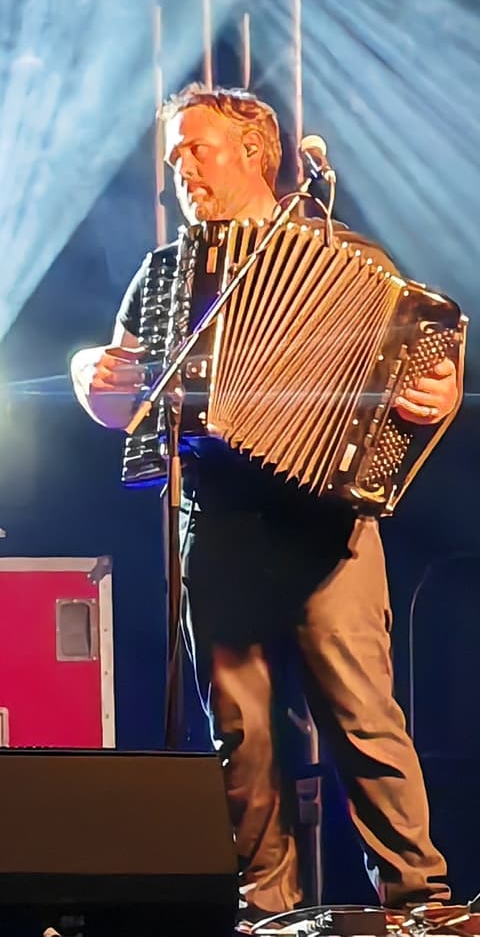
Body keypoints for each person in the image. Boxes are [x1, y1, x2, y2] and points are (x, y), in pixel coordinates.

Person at [71, 83, 457, 928]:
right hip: (218, 520)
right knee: (241, 735)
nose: (179, 168)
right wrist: (87, 377)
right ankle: (264, 910)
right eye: (173, 155)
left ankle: (418, 901)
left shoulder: (349, 255)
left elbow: (424, 359)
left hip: (329, 524)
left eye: (194, 148)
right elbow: (119, 400)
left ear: (255, 153)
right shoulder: (165, 273)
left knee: (363, 717)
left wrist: (441, 390)